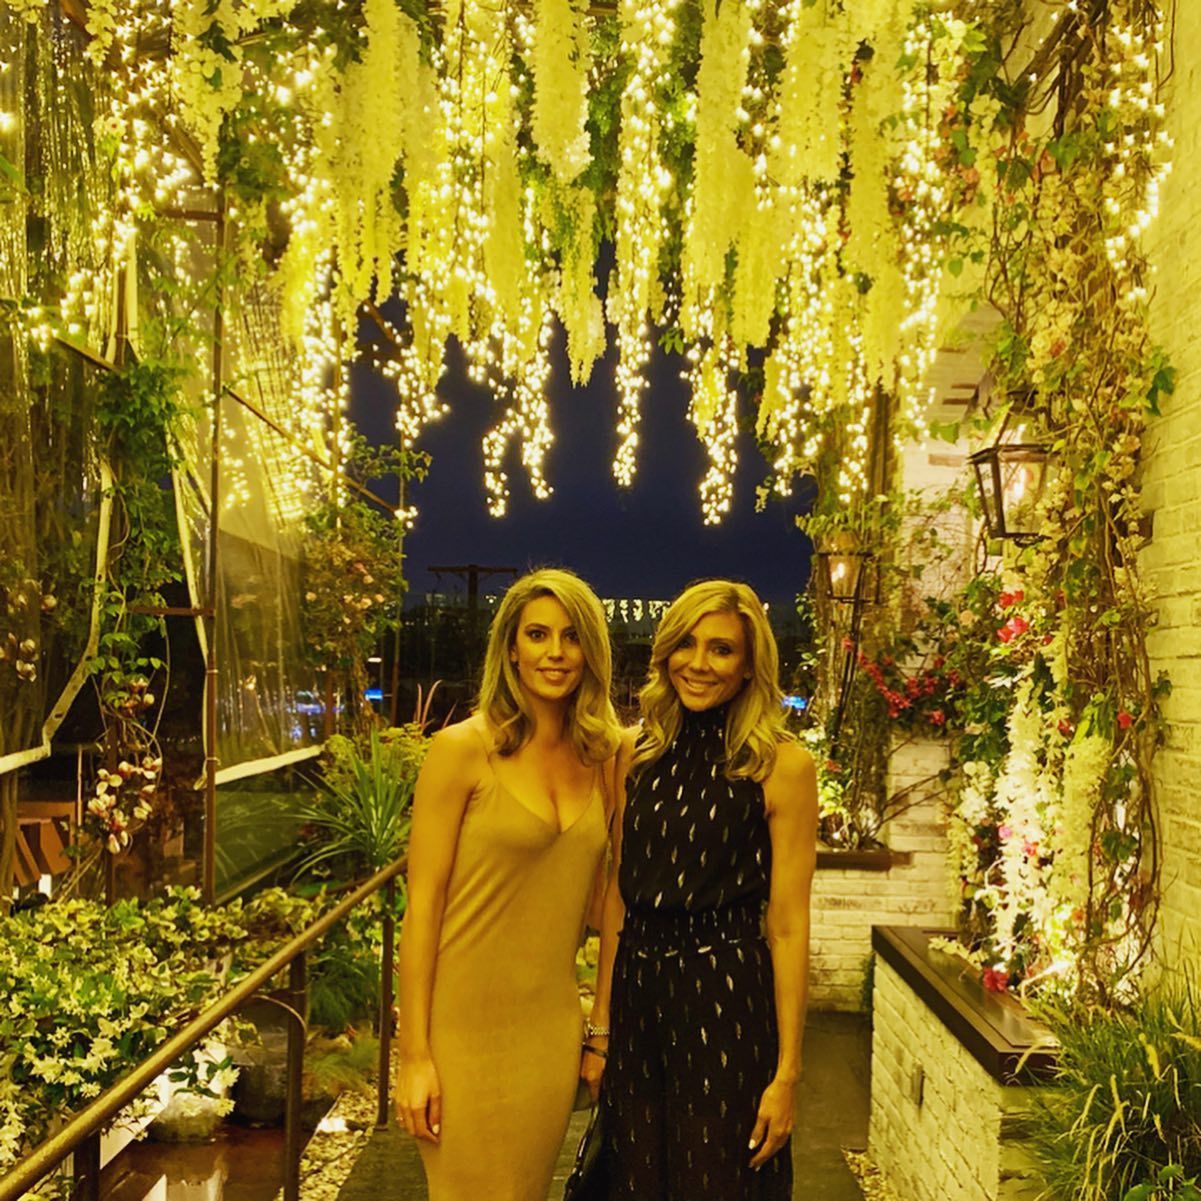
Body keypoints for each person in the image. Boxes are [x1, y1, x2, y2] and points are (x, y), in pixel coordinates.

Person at [582, 578, 818, 1199]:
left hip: (726, 998)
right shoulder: (634, 752)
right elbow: (619, 896)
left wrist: (788, 1073)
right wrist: (601, 1030)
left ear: (749, 666)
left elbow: (788, 925)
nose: (698, 663)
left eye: (721, 649)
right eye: (686, 644)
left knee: (714, 1181)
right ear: (665, 653)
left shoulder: (783, 766)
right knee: (633, 1181)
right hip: (638, 998)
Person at [395, 567, 621, 1201]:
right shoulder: (460, 751)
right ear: (511, 648)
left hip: (549, 1032)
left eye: (572, 637)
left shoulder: (604, 759)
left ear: (591, 652)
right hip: (461, 1031)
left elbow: (615, 903)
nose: (556, 652)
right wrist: (414, 1056)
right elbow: (423, 909)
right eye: (538, 634)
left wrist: (600, 1027)